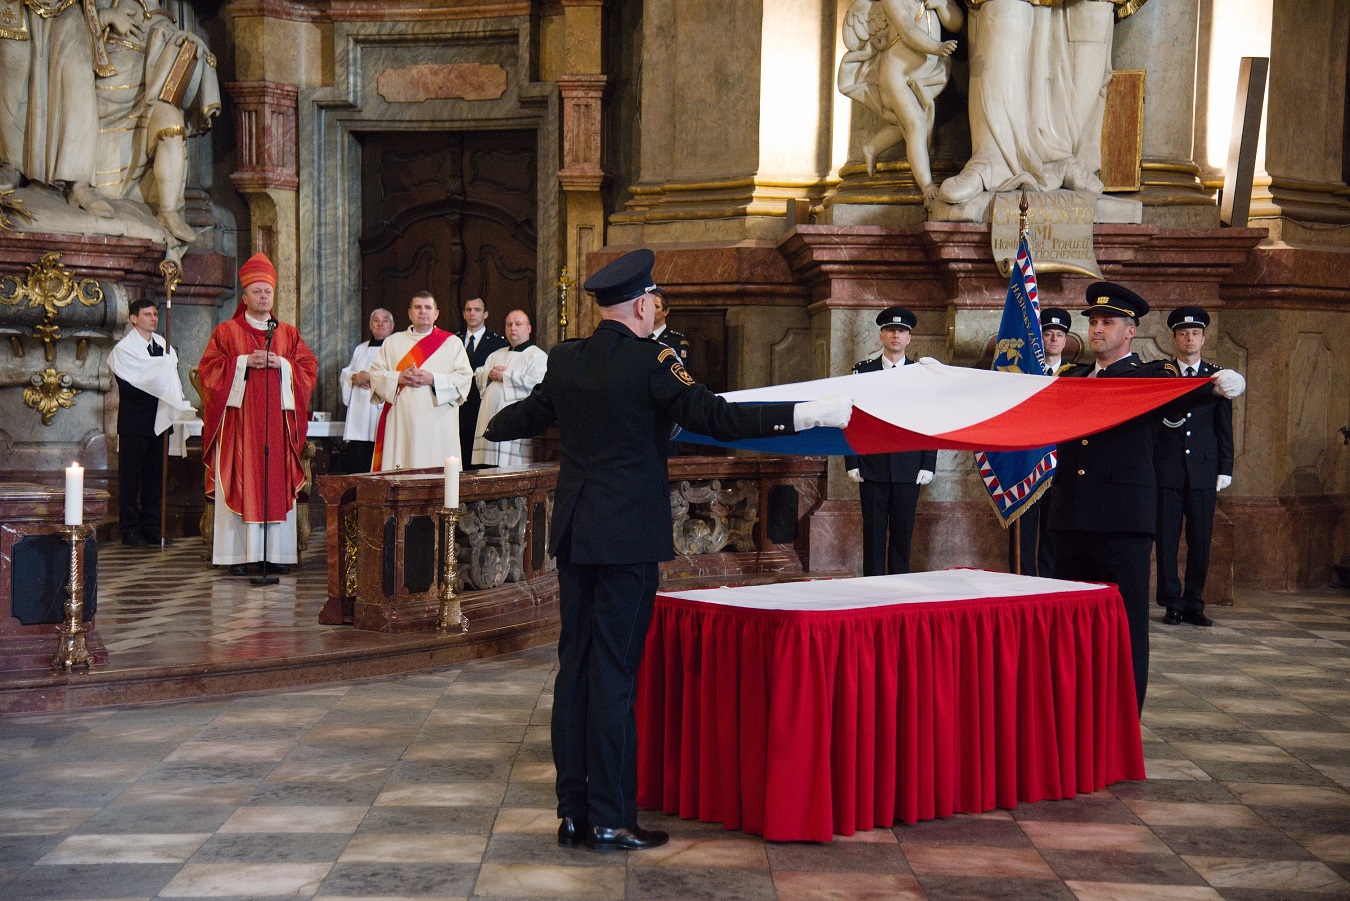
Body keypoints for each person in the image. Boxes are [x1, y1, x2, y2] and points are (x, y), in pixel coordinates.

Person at [484, 248, 851, 853]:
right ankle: (611, 817)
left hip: (576, 534)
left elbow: (512, 421)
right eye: (652, 299)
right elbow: (717, 417)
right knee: (614, 674)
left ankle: (574, 813)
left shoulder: (568, 358)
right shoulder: (653, 361)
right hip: (626, 537)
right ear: (640, 304)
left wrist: (523, 419)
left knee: (574, 668)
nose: (655, 307)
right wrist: (809, 414)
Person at [1047, 282, 1245, 713]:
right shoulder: (1073, 377)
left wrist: (1214, 386)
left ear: (1130, 330)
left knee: (1126, 627)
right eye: (1093, 322)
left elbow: (1183, 394)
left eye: (1107, 323)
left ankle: (1123, 721)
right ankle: (1071, 713)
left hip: (1122, 522)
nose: (1097, 329)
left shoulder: (1151, 377)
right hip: (1070, 516)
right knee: (1069, 628)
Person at [198, 253, 318, 576]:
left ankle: (277, 555)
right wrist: (241, 364)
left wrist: (284, 365)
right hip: (240, 427)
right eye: (257, 292)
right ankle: (239, 556)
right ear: (245, 295)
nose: (264, 296)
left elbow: (308, 368)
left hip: (277, 427)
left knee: (274, 481)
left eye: (268, 292)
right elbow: (208, 371)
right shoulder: (226, 332)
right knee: (243, 478)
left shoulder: (287, 334)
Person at [94, 0, 222, 242]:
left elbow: (183, 90)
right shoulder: (100, 6)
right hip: (97, 121)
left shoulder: (160, 20)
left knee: (171, 122)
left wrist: (190, 52)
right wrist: (104, 17)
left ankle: (168, 211)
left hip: (143, 113)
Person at [0, 0, 141, 214]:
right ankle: (12, 165)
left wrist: (103, 16)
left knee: (78, 70)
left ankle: (79, 183)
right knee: (12, 70)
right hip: (12, 6)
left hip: (67, 4)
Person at [1155, 306, 1233, 628]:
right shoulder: (1161, 376)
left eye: (1196, 333)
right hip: (1167, 470)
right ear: (1173, 339)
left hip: (1202, 471)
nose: (1190, 338)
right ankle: (1171, 602)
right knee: (1167, 540)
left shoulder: (1218, 377)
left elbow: (1223, 427)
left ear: (1204, 338)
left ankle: (1194, 602)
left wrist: (1225, 467)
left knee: (1200, 540)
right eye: (1183, 333)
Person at [845, 306, 937, 575]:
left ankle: (898, 586)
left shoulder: (921, 374)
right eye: (890, 330)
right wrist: (851, 459)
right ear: (881, 336)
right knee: (872, 535)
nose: (896, 335)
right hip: (872, 466)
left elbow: (929, 419)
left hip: (909, 467)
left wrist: (928, 463)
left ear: (909, 338)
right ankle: (872, 587)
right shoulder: (863, 373)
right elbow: (851, 418)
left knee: (902, 534)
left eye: (902, 331)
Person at [838, 0, 963, 198]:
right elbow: (908, 30)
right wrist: (937, 47)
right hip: (896, 75)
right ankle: (927, 186)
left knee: (904, 124)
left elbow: (956, 23)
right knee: (916, 124)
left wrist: (941, 5)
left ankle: (872, 148)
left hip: (922, 74)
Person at [108, 297, 194, 546]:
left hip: (159, 421)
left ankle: (152, 526)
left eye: (156, 314)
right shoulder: (124, 350)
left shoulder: (163, 347)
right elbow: (130, 387)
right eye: (147, 314)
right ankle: (129, 529)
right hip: (134, 422)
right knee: (130, 479)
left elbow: (169, 380)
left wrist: (161, 372)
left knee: (154, 478)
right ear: (134, 318)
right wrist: (157, 374)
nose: (154, 319)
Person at [370, 291, 473, 471]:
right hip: (402, 422)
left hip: (438, 422)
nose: (423, 312)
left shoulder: (452, 343)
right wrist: (398, 377)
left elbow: (465, 378)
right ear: (410, 313)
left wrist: (434, 379)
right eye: (418, 307)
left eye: (428, 308)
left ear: (436, 314)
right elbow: (375, 374)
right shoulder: (392, 342)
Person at [1015, 305, 1074, 575]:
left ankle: (1050, 585)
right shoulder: (1022, 374)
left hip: (1062, 466)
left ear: (1066, 340)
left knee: (1054, 532)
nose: (1053, 339)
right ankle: (1023, 585)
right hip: (1027, 462)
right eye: (1047, 334)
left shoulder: (1075, 376)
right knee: (1023, 533)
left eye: (1058, 335)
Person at [472, 309, 547, 467]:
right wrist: (489, 375)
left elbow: (538, 386)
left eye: (518, 324)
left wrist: (506, 377)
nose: (513, 328)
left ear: (529, 328)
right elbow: (478, 375)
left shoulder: (537, 356)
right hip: (489, 419)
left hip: (515, 426)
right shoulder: (495, 355)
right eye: (509, 324)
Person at [337, 308, 394, 473]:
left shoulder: (396, 349)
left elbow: (398, 376)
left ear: (392, 326)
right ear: (370, 325)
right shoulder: (360, 349)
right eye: (376, 320)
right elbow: (347, 374)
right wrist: (355, 377)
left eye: (385, 320)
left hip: (383, 410)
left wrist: (371, 378)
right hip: (360, 415)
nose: (380, 324)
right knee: (358, 461)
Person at [457, 296, 507, 466]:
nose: (472, 314)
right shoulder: (453, 340)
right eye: (468, 310)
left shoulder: (497, 343)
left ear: (485, 314)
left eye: (477, 310)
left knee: (477, 464)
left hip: (481, 408)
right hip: (457, 409)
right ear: (464, 314)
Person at [650, 289, 690, 369]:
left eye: (656, 307)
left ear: (666, 312)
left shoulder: (677, 341)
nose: (651, 310)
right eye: (650, 307)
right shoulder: (639, 336)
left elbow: (678, 368)